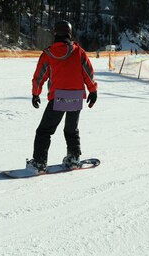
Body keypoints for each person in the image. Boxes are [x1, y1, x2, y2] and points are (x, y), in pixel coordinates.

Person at [27, 20, 98, 174]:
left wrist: (35, 93)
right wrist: (93, 90)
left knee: (44, 131)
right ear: (69, 34)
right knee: (71, 130)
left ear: (55, 33)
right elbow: (88, 72)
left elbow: (40, 76)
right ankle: (73, 158)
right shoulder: (79, 52)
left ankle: (39, 162)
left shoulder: (48, 54)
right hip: (76, 97)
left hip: (58, 97)